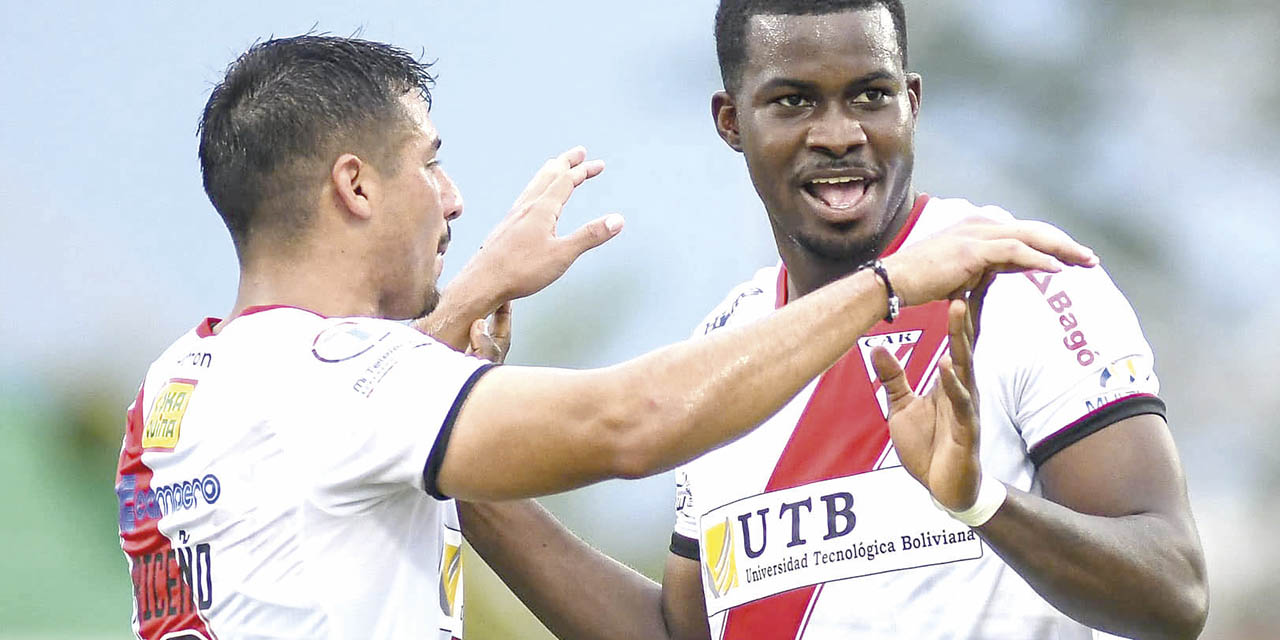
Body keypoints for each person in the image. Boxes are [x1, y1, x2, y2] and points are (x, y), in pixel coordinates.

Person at [113, 34, 1094, 640]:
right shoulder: (340, 383)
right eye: (431, 163)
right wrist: (888, 283)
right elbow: (635, 422)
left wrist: (464, 304)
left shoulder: (183, 381)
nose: (454, 199)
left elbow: (328, 418)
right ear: (356, 186)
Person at [458, 1, 1209, 639]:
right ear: (730, 120)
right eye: (794, 102)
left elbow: (1173, 590)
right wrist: (461, 467)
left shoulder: (1016, 284)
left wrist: (980, 503)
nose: (840, 133)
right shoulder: (725, 342)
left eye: (870, 96)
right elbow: (681, 633)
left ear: (912, 101)